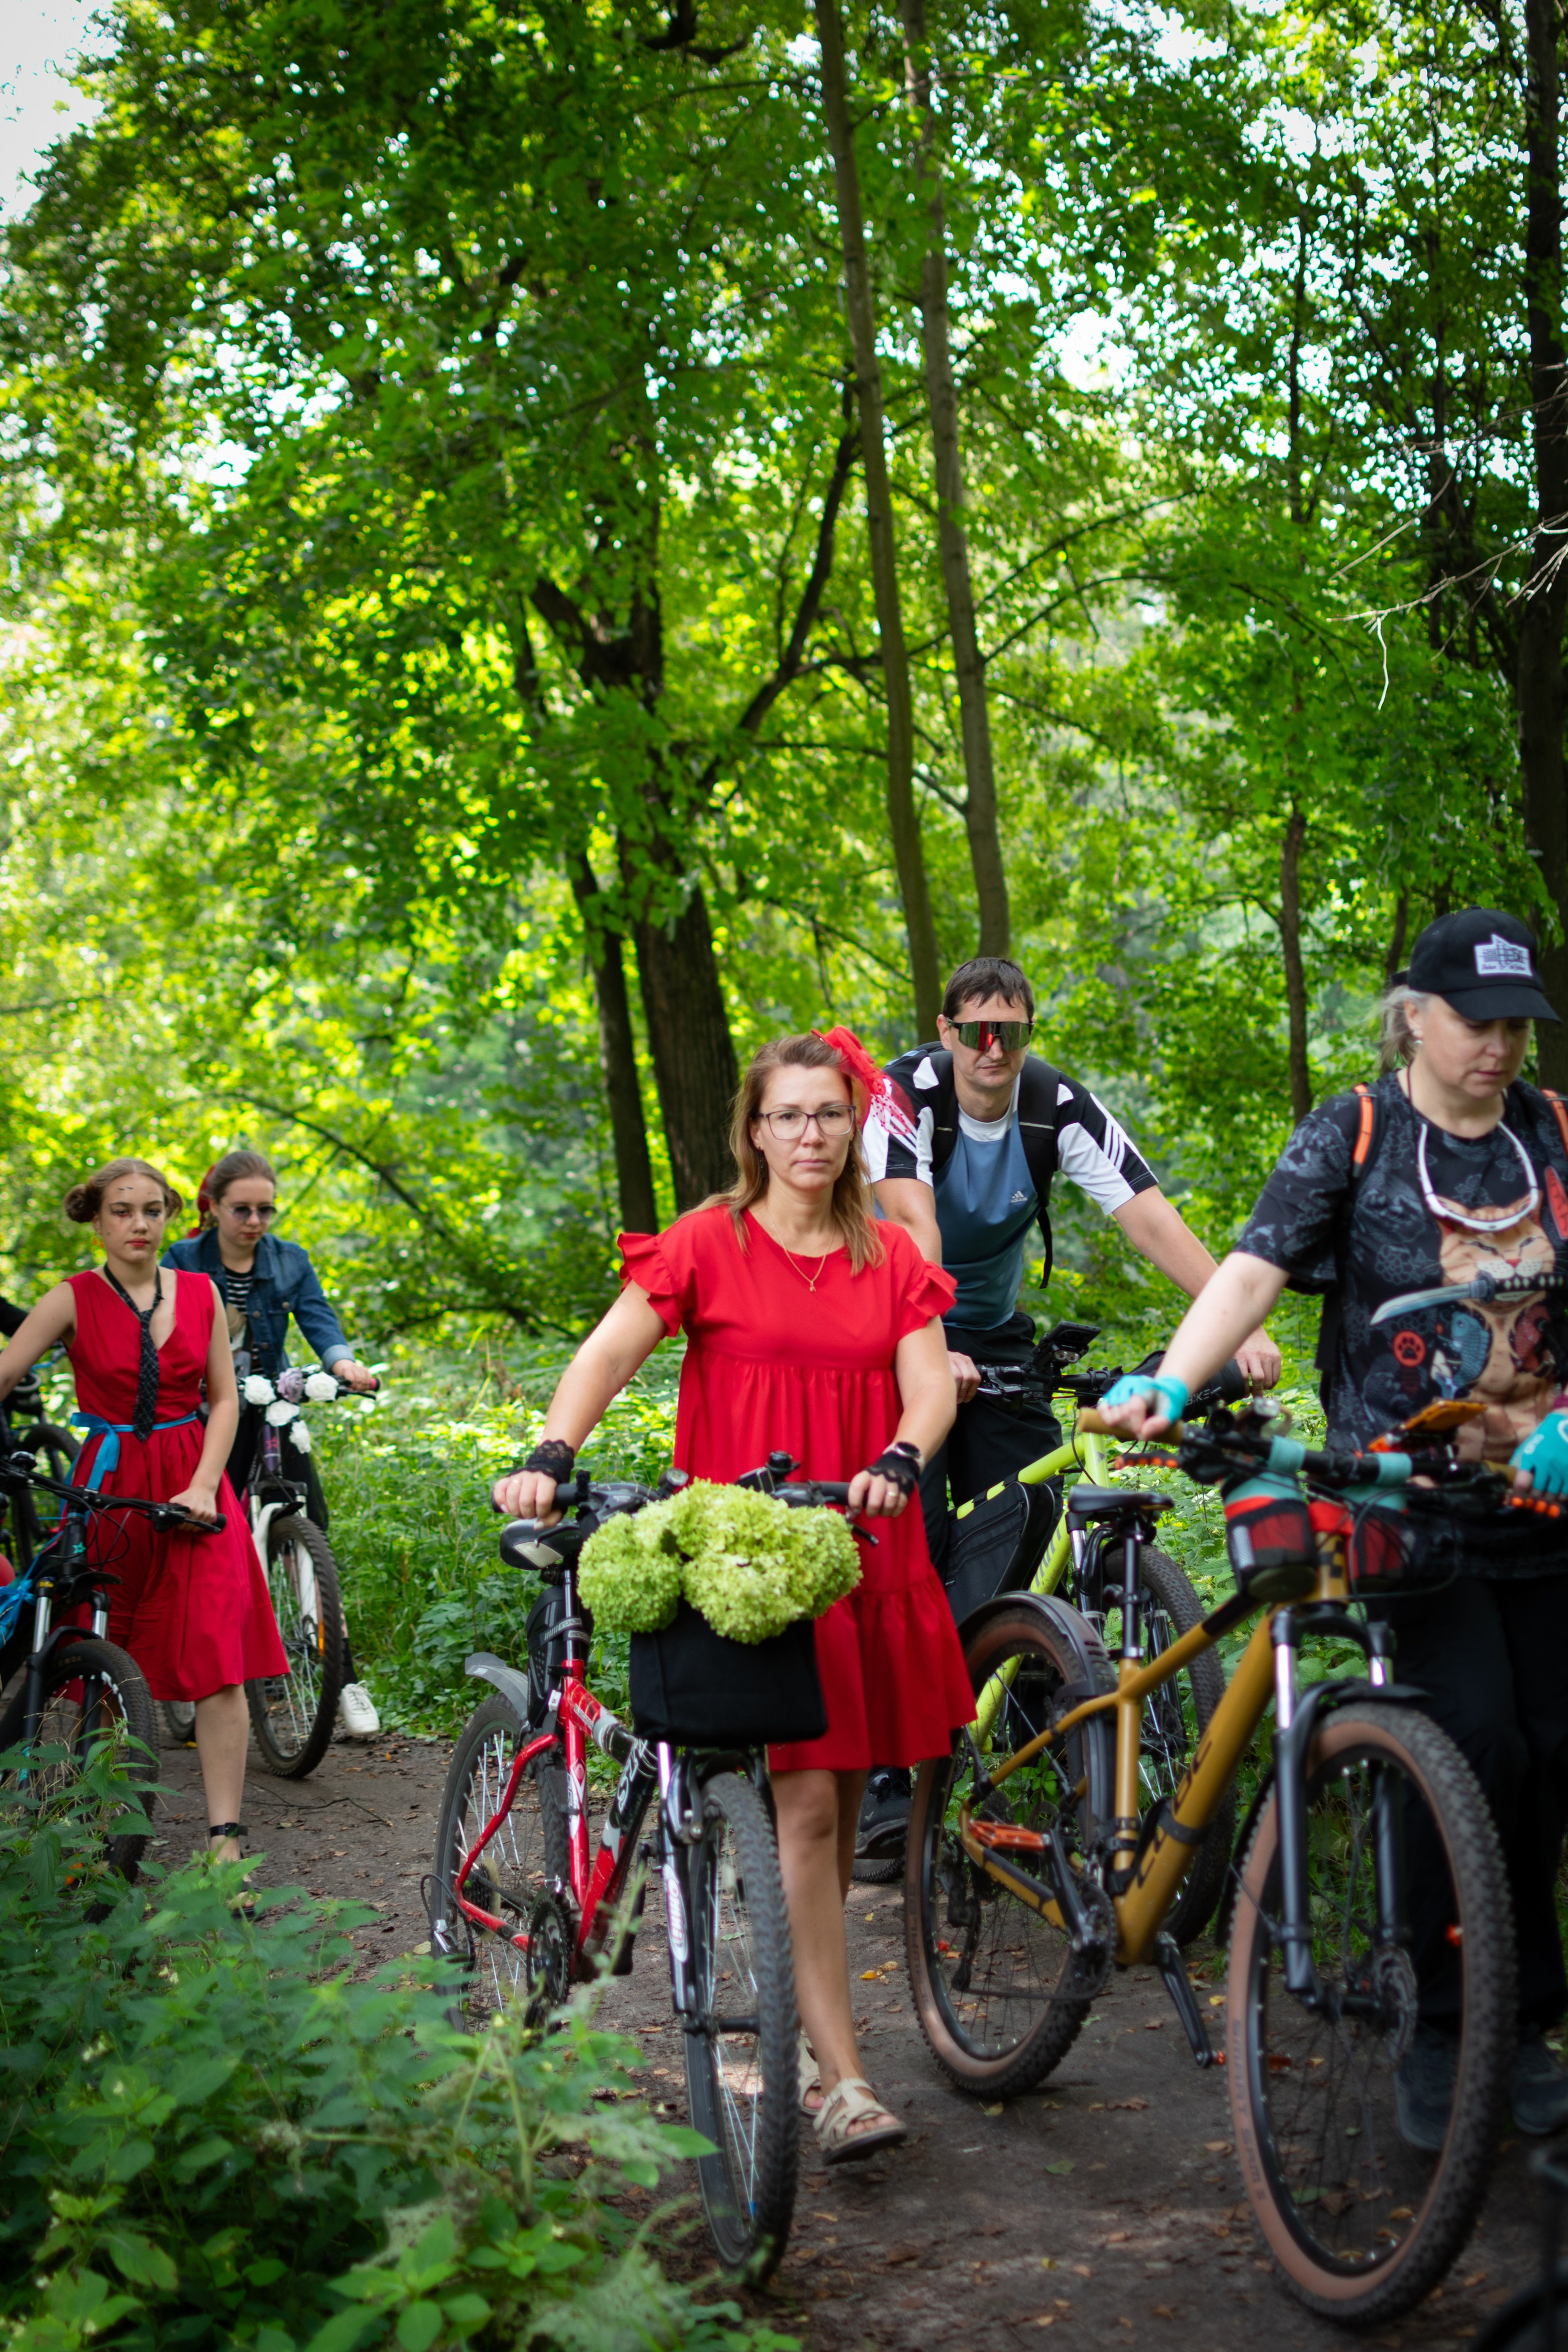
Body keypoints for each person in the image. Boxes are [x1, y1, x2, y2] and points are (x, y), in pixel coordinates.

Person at [1099, 906, 1568, 2143]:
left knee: (1551, 1748)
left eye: (1516, 1026)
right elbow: (1252, 1268)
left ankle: (1523, 2025)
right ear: (1411, 1015)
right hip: (1403, 1507)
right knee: (1466, 1741)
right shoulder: (1353, 1134)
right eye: (1476, 1023)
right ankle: (1441, 2032)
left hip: (1544, 1496)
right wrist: (1172, 1379)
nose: (1498, 1048)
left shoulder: (1553, 1133)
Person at [492, 1029, 971, 2163]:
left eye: (829, 1113)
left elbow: (927, 1387)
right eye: (788, 1115)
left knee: (843, 1815)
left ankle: (807, 2038)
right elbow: (612, 1351)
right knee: (805, 1812)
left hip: (860, 1552)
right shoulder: (708, 1242)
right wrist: (553, 1452)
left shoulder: (891, 1252)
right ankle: (844, 2080)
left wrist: (904, 1455)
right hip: (747, 1556)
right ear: (754, 1130)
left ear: (857, 1125)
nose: (810, 1133)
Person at [856, 953, 1281, 1866]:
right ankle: (890, 1778)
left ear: (1026, 1035)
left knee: (1035, 1508)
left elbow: (1150, 1217)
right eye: (974, 1030)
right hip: (892, 1324)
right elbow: (907, 1226)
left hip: (996, 1336)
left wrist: (1232, 1322)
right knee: (908, 1541)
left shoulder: (1056, 1105)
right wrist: (930, 1344)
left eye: (1009, 1031)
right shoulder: (899, 1098)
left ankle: (1000, 1716)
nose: (991, 1048)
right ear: (945, 1033)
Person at [0, 1158, 287, 1873]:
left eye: (152, 1210)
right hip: (111, 1485)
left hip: (194, 1484)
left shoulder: (201, 1292)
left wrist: (201, 1485)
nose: (138, 1224)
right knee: (106, 1656)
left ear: (170, 1217)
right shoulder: (69, 1299)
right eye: (122, 1211)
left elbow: (224, 1399)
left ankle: (224, 1843)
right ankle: (103, 1830)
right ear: (96, 1221)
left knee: (220, 1659)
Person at [162, 1151, 382, 1738]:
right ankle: (194, 1669)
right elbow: (163, 1330)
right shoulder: (184, 1260)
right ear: (211, 1208)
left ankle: (344, 1679)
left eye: (265, 1209)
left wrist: (344, 1364)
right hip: (206, 1413)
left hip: (271, 1401)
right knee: (205, 1538)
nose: (255, 1221)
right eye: (242, 1209)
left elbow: (319, 1321)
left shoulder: (290, 1261)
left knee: (313, 1530)